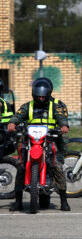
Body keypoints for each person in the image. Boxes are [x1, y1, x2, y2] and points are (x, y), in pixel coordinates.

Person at [7, 81, 70, 211]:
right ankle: (18, 202)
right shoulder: (27, 106)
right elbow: (17, 116)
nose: (41, 99)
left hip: (49, 140)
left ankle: (64, 201)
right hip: (30, 142)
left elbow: (62, 117)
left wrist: (64, 126)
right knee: (20, 166)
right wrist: (12, 123)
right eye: (38, 96)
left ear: (48, 95)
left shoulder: (55, 107)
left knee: (57, 166)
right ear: (33, 95)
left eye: (43, 96)